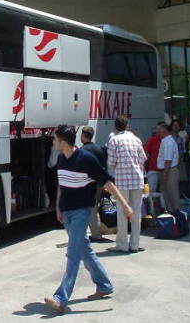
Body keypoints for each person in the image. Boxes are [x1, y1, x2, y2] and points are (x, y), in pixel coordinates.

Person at [44, 125, 133, 315]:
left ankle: (61, 298)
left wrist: (125, 205)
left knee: (73, 253)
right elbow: (62, 184)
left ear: (63, 141)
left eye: (54, 139)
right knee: (84, 249)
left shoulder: (86, 159)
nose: (53, 142)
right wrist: (58, 206)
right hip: (67, 211)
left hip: (81, 211)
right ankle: (104, 285)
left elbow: (107, 181)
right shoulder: (61, 158)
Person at [106, 116, 147, 253]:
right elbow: (142, 159)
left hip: (122, 181)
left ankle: (122, 245)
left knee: (122, 214)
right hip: (137, 180)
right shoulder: (136, 140)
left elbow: (111, 162)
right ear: (127, 125)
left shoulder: (114, 140)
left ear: (116, 127)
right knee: (136, 213)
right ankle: (135, 244)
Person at [79, 126, 108, 242]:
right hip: (99, 183)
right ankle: (96, 231)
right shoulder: (98, 149)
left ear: (83, 135)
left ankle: (96, 235)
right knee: (95, 207)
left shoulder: (82, 151)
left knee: (89, 209)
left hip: (88, 184)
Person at [158, 122, 180, 212]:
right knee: (166, 195)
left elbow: (168, 160)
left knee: (172, 195)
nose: (157, 133)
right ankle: (171, 216)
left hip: (169, 171)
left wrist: (165, 174)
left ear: (164, 131)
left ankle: (178, 218)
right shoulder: (165, 141)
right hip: (167, 170)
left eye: (159, 131)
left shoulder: (169, 142)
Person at [143, 128, 161, 193]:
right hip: (153, 169)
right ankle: (149, 203)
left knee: (163, 191)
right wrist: (143, 168)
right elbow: (145, 154)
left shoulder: (167, 140)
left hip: (164, 170)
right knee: (150, 191)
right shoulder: (152, 140)